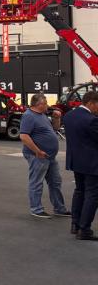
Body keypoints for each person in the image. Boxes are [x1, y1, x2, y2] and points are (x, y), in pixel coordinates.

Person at [19, 93, 69, 219]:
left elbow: (55, 129)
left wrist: (56, 118)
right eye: (45, 103)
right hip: (38, 155)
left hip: (49, 156)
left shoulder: (42, 115)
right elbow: (24, 136)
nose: (47, 105)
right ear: (38, 104)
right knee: (36, 182)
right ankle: (36, 209)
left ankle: (59, 208)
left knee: (55, 182)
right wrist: (37, 151)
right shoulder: (29, 116)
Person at [63, 90, 98, 240]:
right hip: (92, 163)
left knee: (79, 191)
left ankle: (75, 224)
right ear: (91, 103)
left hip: (76, 161)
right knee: (92, 195)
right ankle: (84, 229)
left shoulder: (69, 116)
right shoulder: (91, 120)